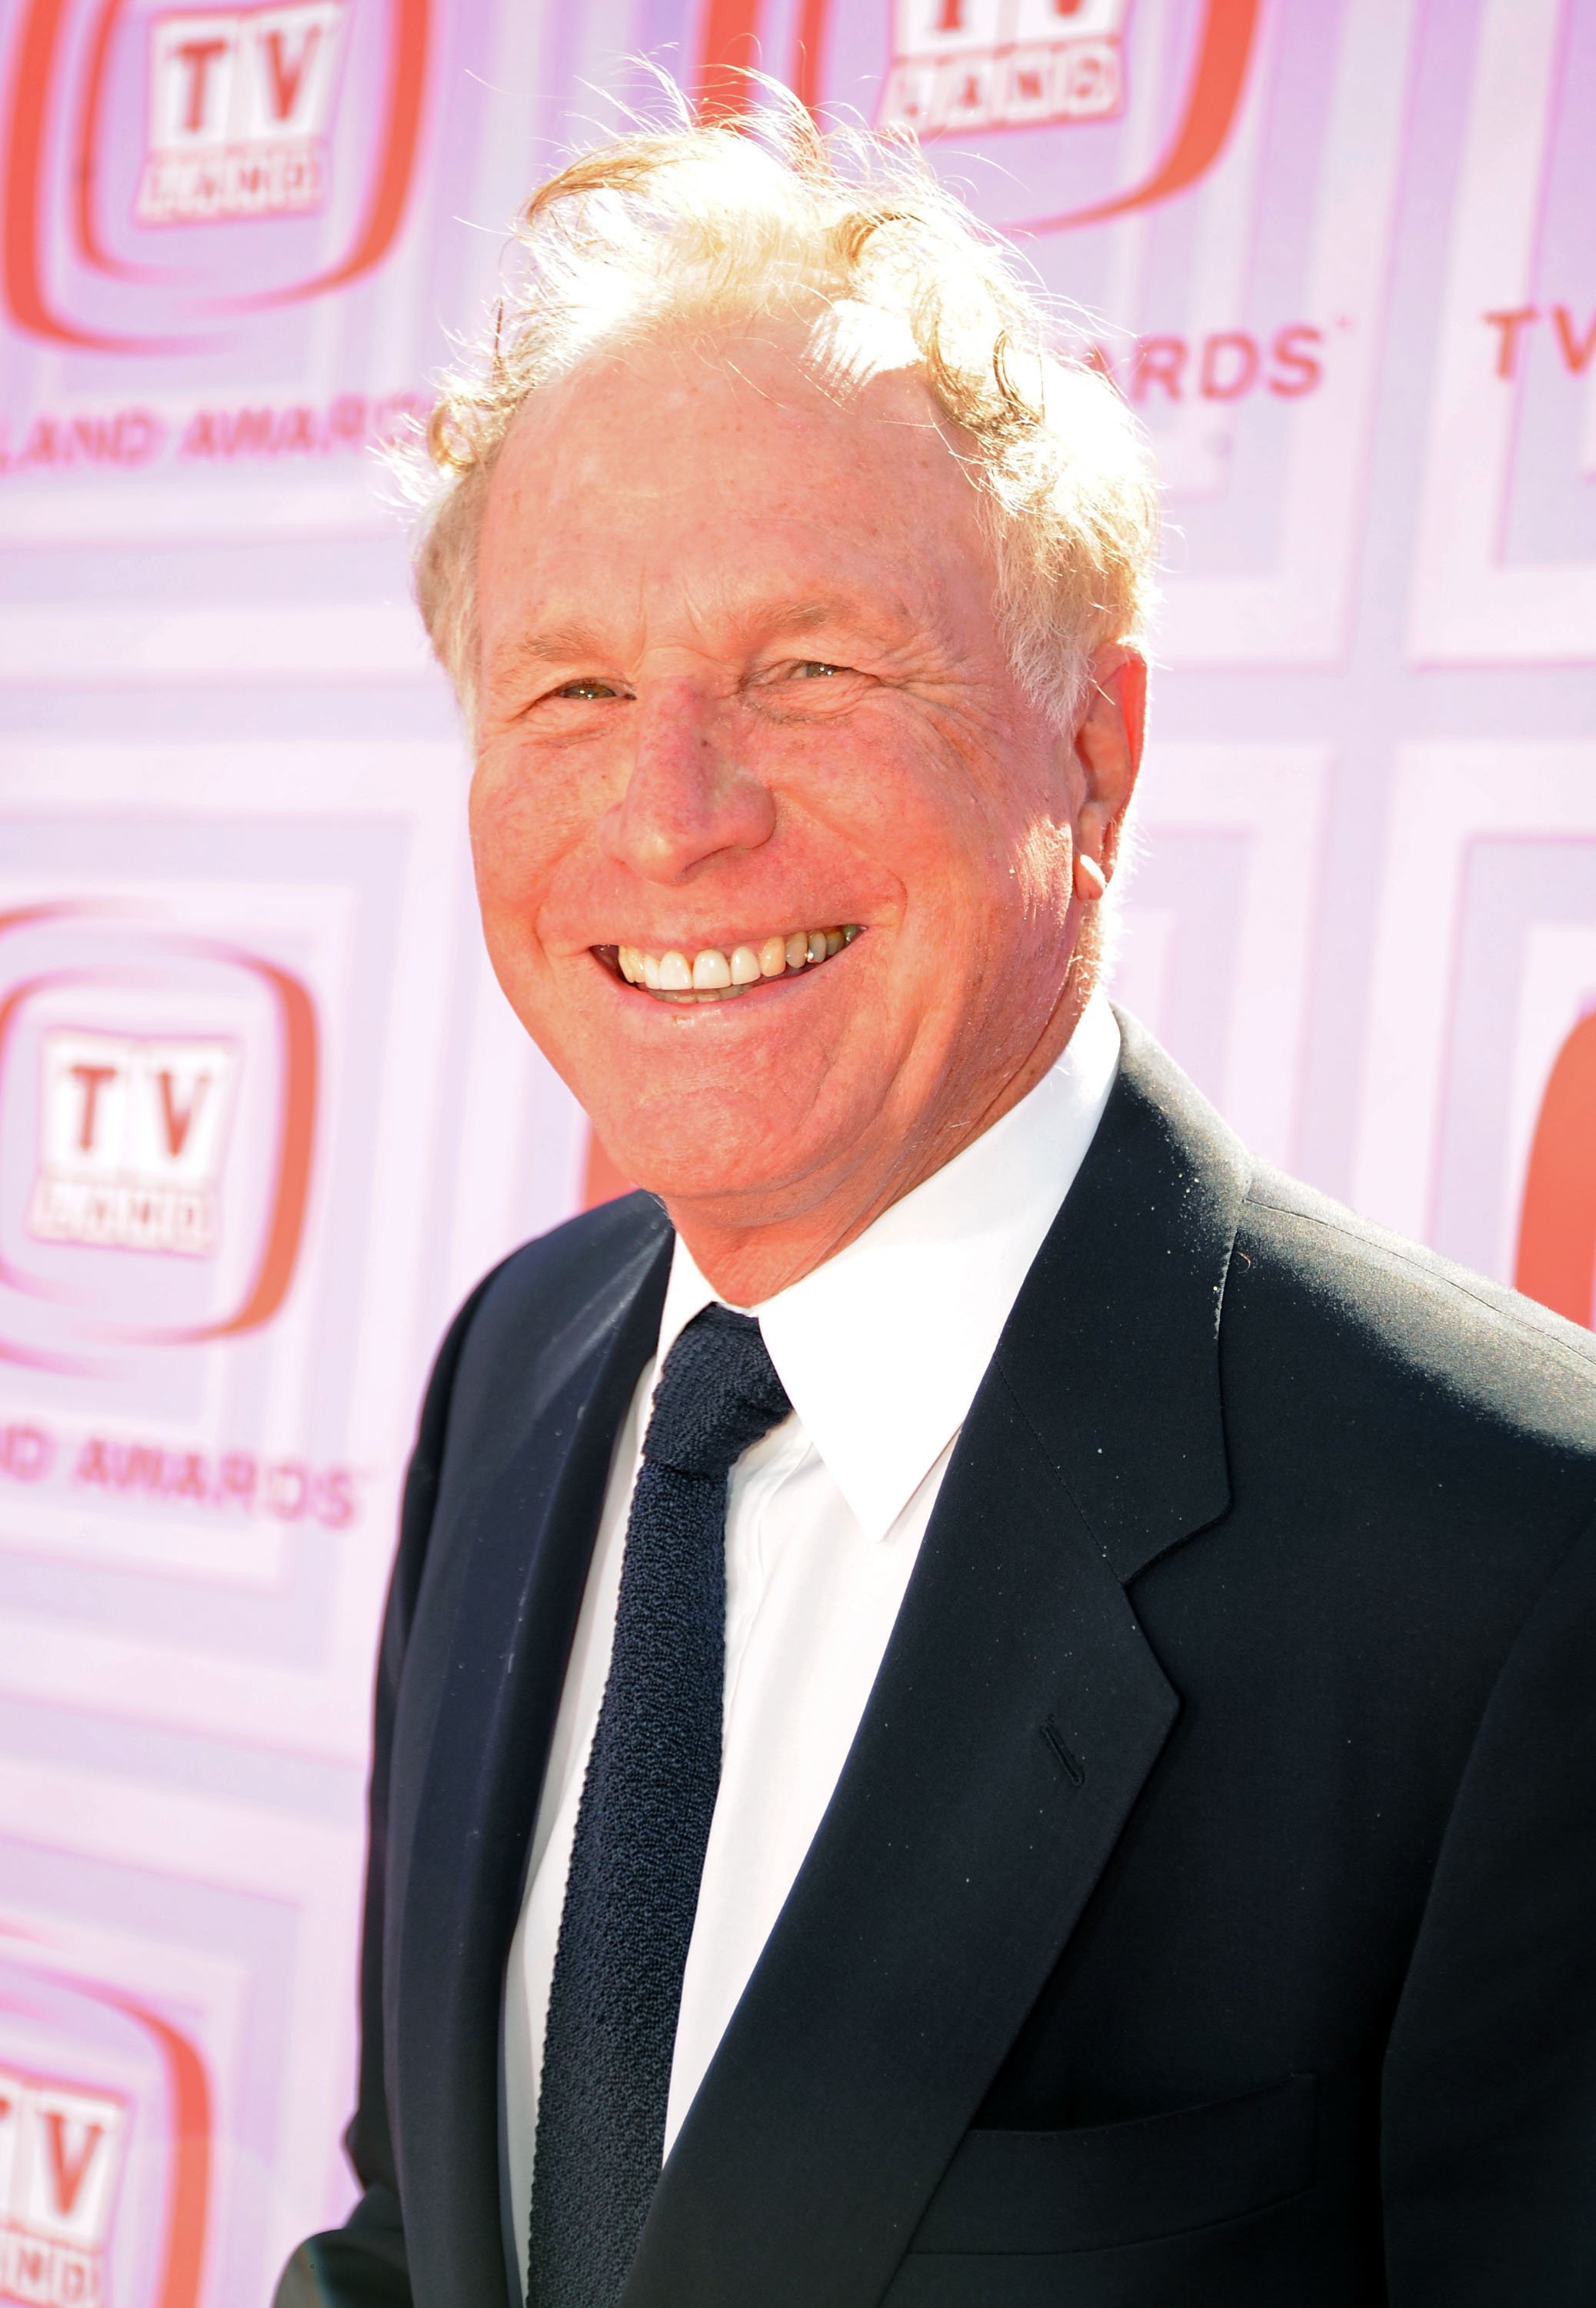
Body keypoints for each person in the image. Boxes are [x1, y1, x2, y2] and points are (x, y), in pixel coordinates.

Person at [275, 100, 1596, 2308]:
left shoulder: (1514, 1557)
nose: (672, 813)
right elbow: (426, 2241)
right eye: (575, 690)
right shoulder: (513, 1366)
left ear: (1092, 751)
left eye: (811, 668)